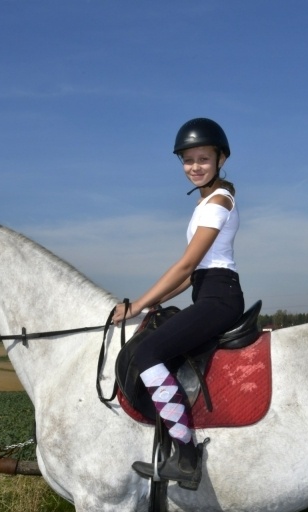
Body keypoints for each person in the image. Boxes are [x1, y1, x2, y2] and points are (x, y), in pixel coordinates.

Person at [112, 117, 245, 490]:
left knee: (147, 353)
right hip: (208, 290)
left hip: (220, 297)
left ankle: (186, 456)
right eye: (188, 160)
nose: (195, 167)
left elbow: (186, 265)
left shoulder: (219, 201)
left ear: (221, 159)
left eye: (203, 159)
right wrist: (154, 303)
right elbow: (191, 276)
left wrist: (136, 305)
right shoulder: (205, 202)